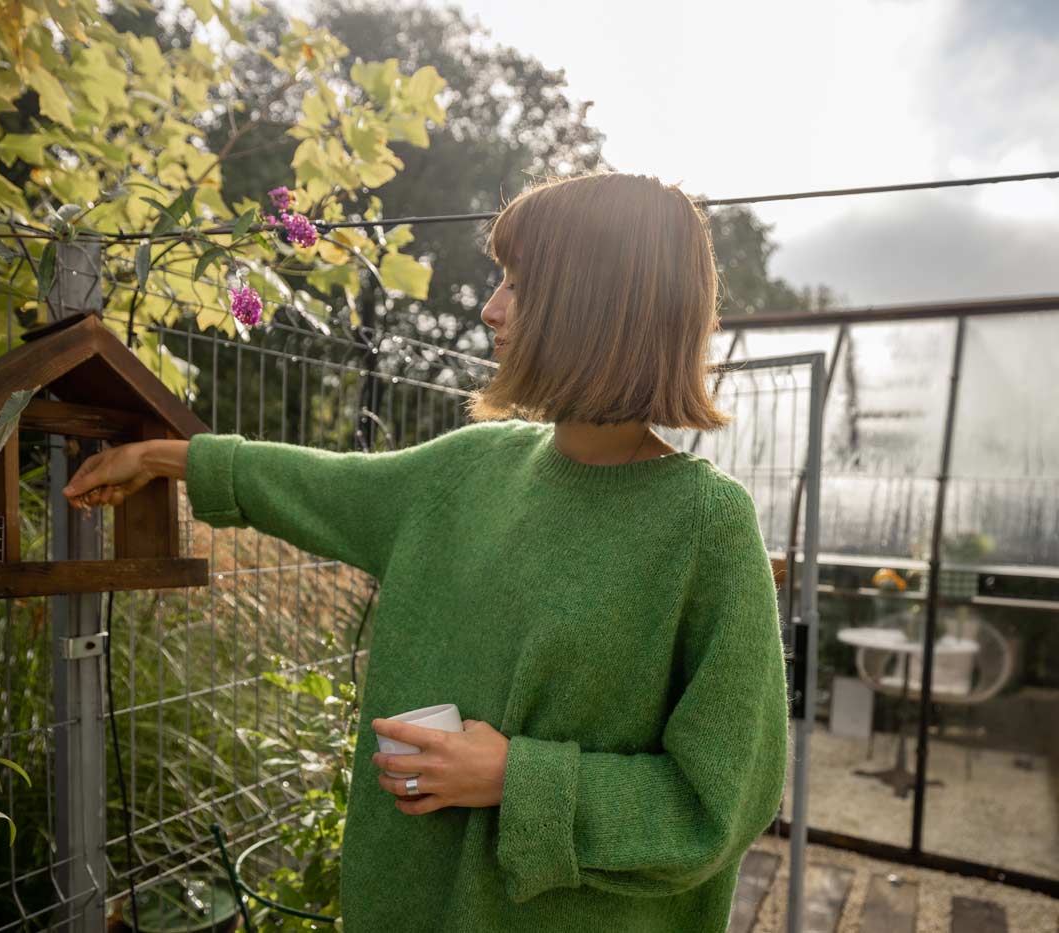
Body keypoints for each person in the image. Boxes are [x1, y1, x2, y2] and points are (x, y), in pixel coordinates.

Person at [62, 172, 789, 933]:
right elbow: (322, 485)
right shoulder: (470, 469)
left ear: (599, 307)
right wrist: (166, 458)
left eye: (521, 284)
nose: (490, 308)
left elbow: (719, 802)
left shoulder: (705, 526)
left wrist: (515, 779)